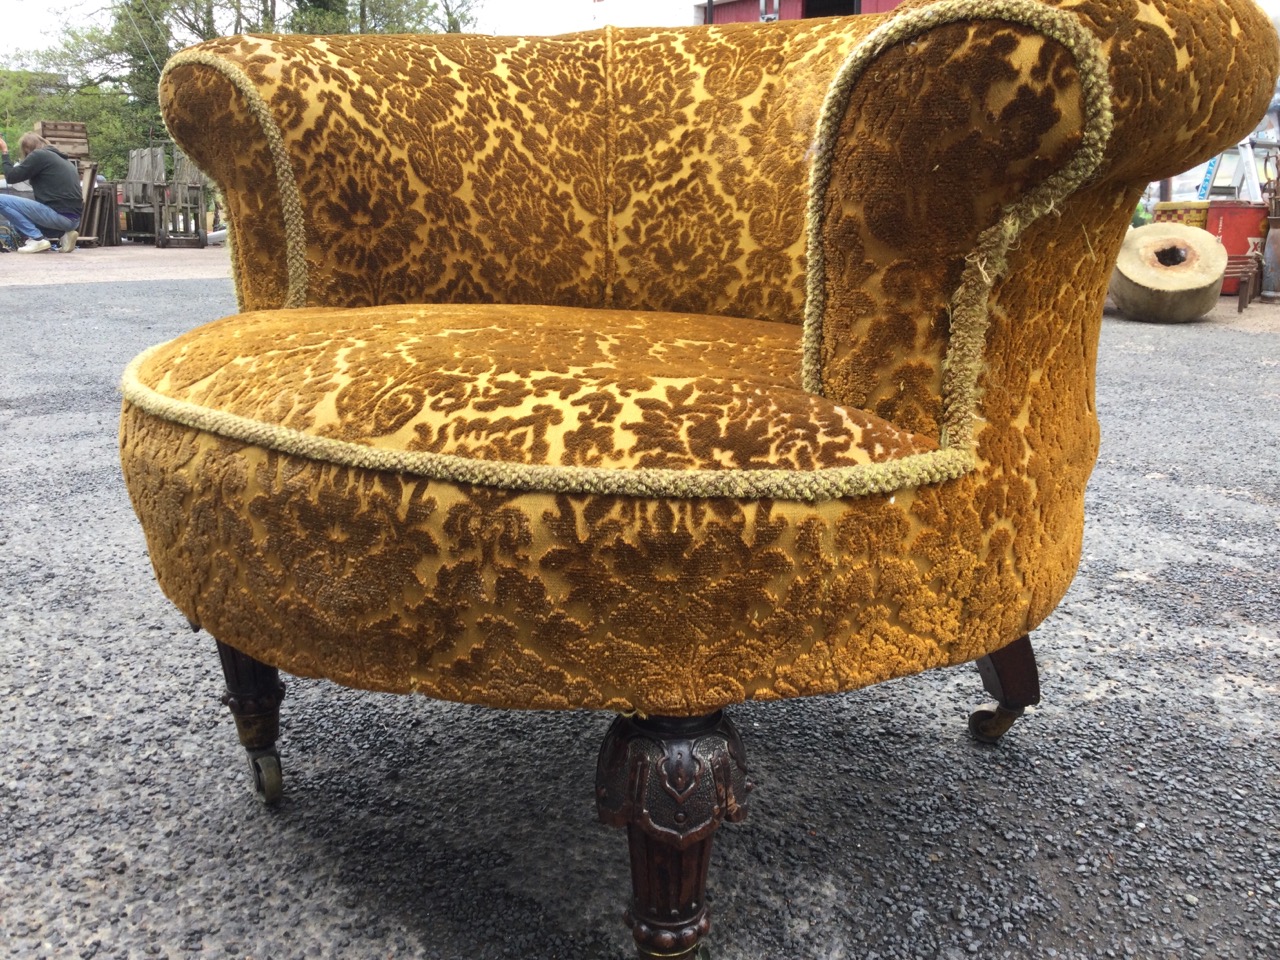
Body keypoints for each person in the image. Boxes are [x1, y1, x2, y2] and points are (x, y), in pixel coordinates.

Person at [0, 133, 83, 254]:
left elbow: (11, 177)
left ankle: (37, 239)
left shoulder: (39, 155)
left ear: (27, 149)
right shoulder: (64, 161)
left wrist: (4, 151)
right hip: (73, 221)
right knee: (19, 225)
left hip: (58, 216)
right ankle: (64, 235)